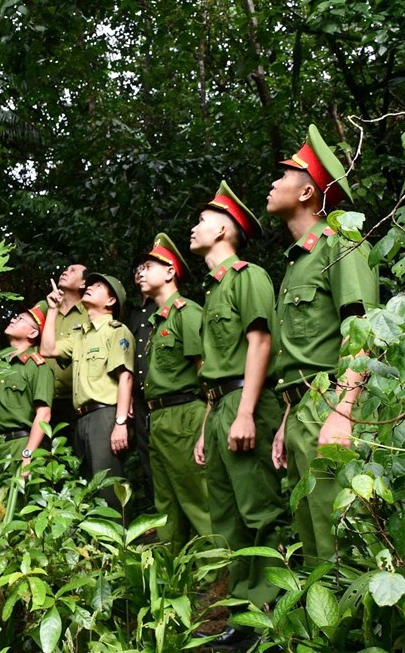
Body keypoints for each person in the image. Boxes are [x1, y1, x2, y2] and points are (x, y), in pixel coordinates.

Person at [268, 124, 379, 566]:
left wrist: (343, 410)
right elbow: (302, 351)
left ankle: (353, 636)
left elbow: (362, 329)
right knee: (311, 537)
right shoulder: (297, 262)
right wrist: (287, 421)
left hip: (330, 403)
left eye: (285, 176)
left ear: (307, 193)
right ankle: (319, 635)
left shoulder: (342, 245)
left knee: (339, 541)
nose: (274, 183)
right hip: (301, 409)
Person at [190, 181, 287, 646]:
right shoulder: (214, 290)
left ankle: (269, 610)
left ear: (225, 229)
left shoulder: (250, 276)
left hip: (248, 400)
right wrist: (210, 425)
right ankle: (242, 616)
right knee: (228, 518)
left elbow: (260, 342)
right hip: (222, 404)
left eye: (202, 220)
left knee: (259, 510)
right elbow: (216, 361)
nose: (194, 227)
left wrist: (247, 411)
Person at [138, 233, 210, 549]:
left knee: (197, 498)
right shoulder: (156, 322)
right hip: (159, 419)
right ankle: (175, 576)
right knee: (166, 503)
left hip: (185, 416)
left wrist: (206, 426)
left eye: (149, 265)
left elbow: (205, 370)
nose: (140, 271)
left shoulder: (186, 313)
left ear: (170, 272)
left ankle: (216, 573)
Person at [40, 273, 134, 512]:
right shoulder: (80, 334)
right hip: (80, 419)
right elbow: (47, 349)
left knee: (108, 490)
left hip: (105, 416)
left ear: (111, 301)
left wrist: (120, 422)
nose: (90, 287)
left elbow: (126, 376)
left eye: (99, 286)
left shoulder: (116, 331)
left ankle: (117, 546)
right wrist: (52, 309)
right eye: (90, 284)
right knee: (86, 490)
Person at [0, 306, 54, 470]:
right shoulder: (1, 365)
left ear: (33, 333)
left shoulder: (38, 367)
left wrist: (28, 453)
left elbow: (44, 414)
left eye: (20, 319)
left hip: (21, 445)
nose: (12, 319)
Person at [38, 264, 89, 447]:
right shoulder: (45, 310)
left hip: (74, 402)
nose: (65, 272)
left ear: (83, 283)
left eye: (72, 270)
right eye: (65, 270)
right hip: (44, 400)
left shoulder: (90, 313)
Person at [127, 265, 157, 509]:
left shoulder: (165, 307)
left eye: (146, 267)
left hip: (164, 393)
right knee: (145, 453)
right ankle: (154, 509)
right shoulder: (133, 313)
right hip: (138, 398)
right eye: (137, 269)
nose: (140, 272)